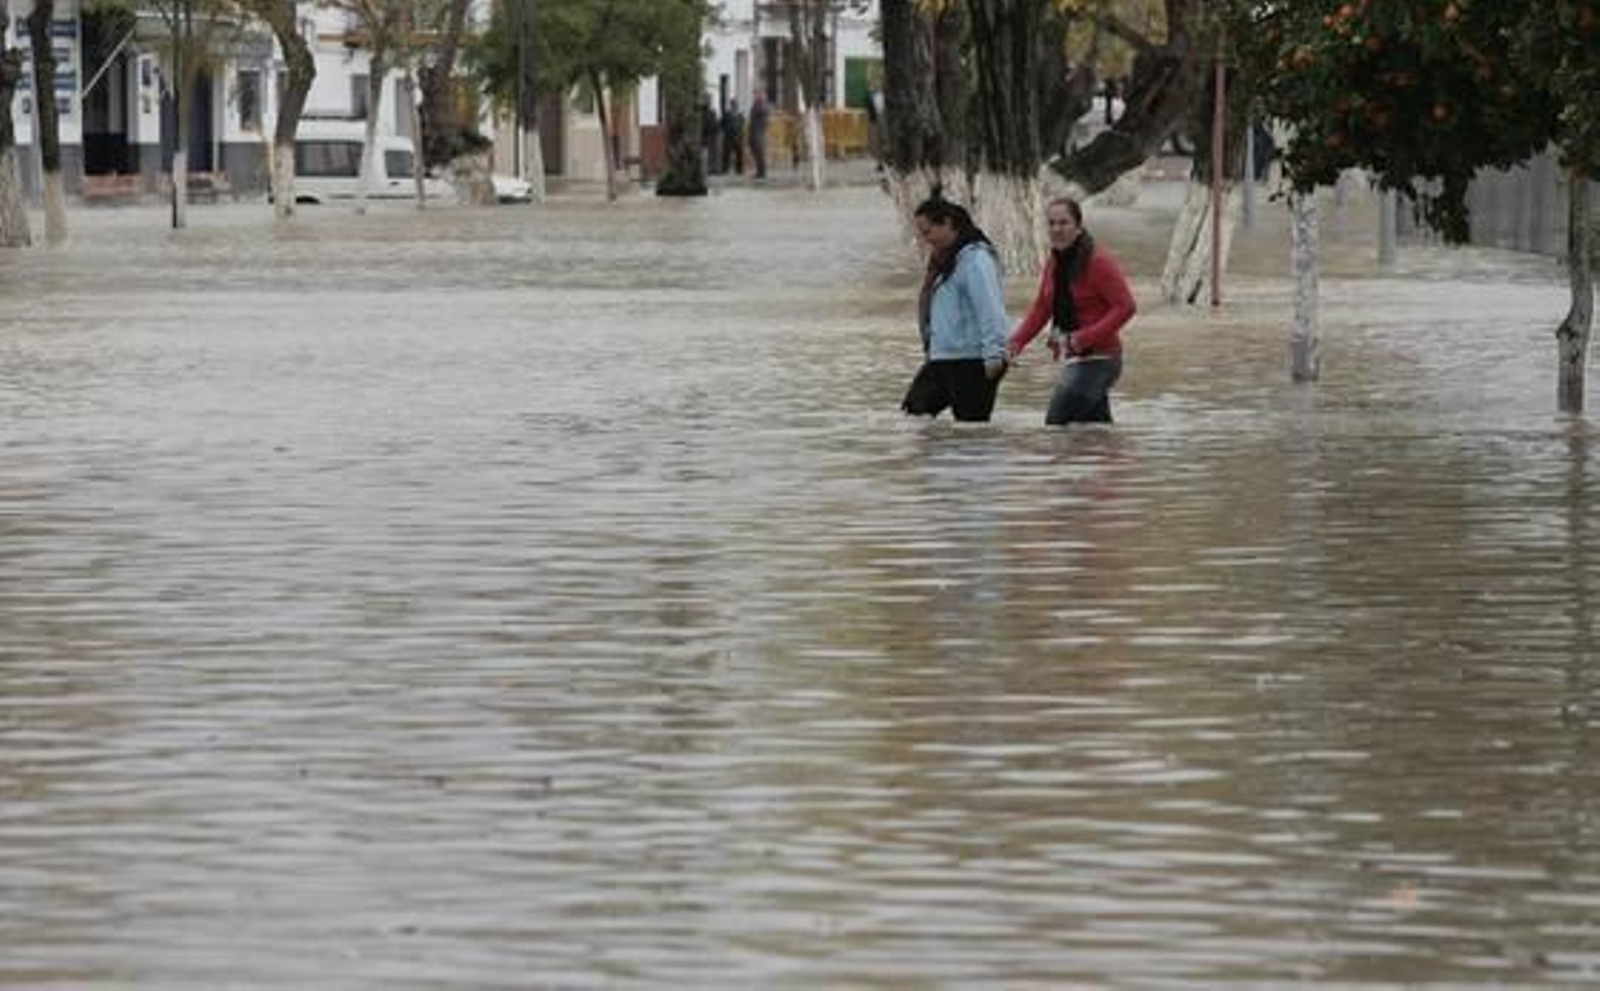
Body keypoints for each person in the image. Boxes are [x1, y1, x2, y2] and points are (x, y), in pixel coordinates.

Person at [1006, 197, 1136, 425]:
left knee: (1057, 426)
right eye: (1051, 223)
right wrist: (1015, 343)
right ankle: (1112, 459)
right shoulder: (1055, 261)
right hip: (1075, 359)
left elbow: (1126, 307)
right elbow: (1042, 307)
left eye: (1063, 223)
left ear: (1078, 227)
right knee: (1093, 433)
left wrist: (1082, 338)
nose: (1056, 229)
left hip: (1101, 358)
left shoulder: (1098, 261)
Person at [901, 197, 1009, 423]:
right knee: (913, 416)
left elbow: (990, 308)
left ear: (948, 224)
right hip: (942, 357)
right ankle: (942, 458)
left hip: (973, 360)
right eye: (921, 233)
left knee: (972, 430)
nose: (925, 239)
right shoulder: (943, 261)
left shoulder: (976, 259)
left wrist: (993, 353)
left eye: (928, 232)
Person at [748, 92, 770, 180]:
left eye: (757, 96)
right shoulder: (755, 106)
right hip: (753, 131)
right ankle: (759, 171)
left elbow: (764, 116)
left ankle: (762, 172)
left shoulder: (762, 107)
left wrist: (758, 104)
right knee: (755, 151)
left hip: (759, 132)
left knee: (760, 152)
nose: (755, 97)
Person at [720, 99, 745, 176]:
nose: (733, 106)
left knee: (739, 153)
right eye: (733, 104)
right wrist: (725, 131)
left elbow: (742, 125)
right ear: (731, 105)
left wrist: (740, 134)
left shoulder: (740, 115)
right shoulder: (727, 114)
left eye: (734, 105)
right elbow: (722, 124)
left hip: (737, 136)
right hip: (729, 136)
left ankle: (739, 169)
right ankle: (725, 169)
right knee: (727, 153)